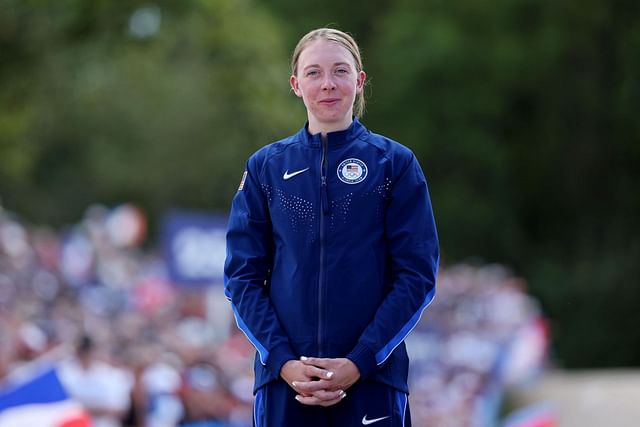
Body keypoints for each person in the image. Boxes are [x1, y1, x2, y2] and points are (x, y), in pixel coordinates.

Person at [224, 28, 439, 426]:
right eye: (313, 73)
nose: (327, 84)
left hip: (373, 381)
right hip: (284, 386)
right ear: (295, 84)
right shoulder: (265, 168)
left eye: (340, 71)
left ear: (359, 80)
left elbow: (417, 276)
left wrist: (360, 361)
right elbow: (242, 278)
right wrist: (284, 363)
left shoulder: (394, 164)